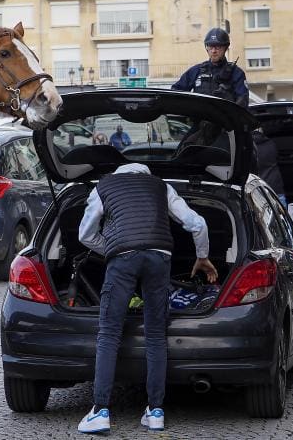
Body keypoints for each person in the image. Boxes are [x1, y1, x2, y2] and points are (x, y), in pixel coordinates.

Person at [76, 163, 218, 434]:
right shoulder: (161, 186)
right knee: (155, 334)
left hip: (122, 259)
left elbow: (85, 234)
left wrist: (113, 247)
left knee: (108, 333)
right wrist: (202, 257)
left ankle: (100, 412)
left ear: (118, 173)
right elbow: (197, 223)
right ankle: (155, 412)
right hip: (160, 256)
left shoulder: (103, 187)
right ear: (145, 174)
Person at [171, 27, 249, 107]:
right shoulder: (196, 71)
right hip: (200, 118)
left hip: (225, 118)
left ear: (225, 48)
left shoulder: (236, 73)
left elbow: (242, 102)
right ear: (206, 48)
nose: (213, 51)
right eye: (210, 46)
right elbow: (175, 92)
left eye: (218, 47)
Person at [253, 121, 286, 206]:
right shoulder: (271, 144)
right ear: (261, 130)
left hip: (257, 191)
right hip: (275, 188)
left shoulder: (246, 147)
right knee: (282, 216)